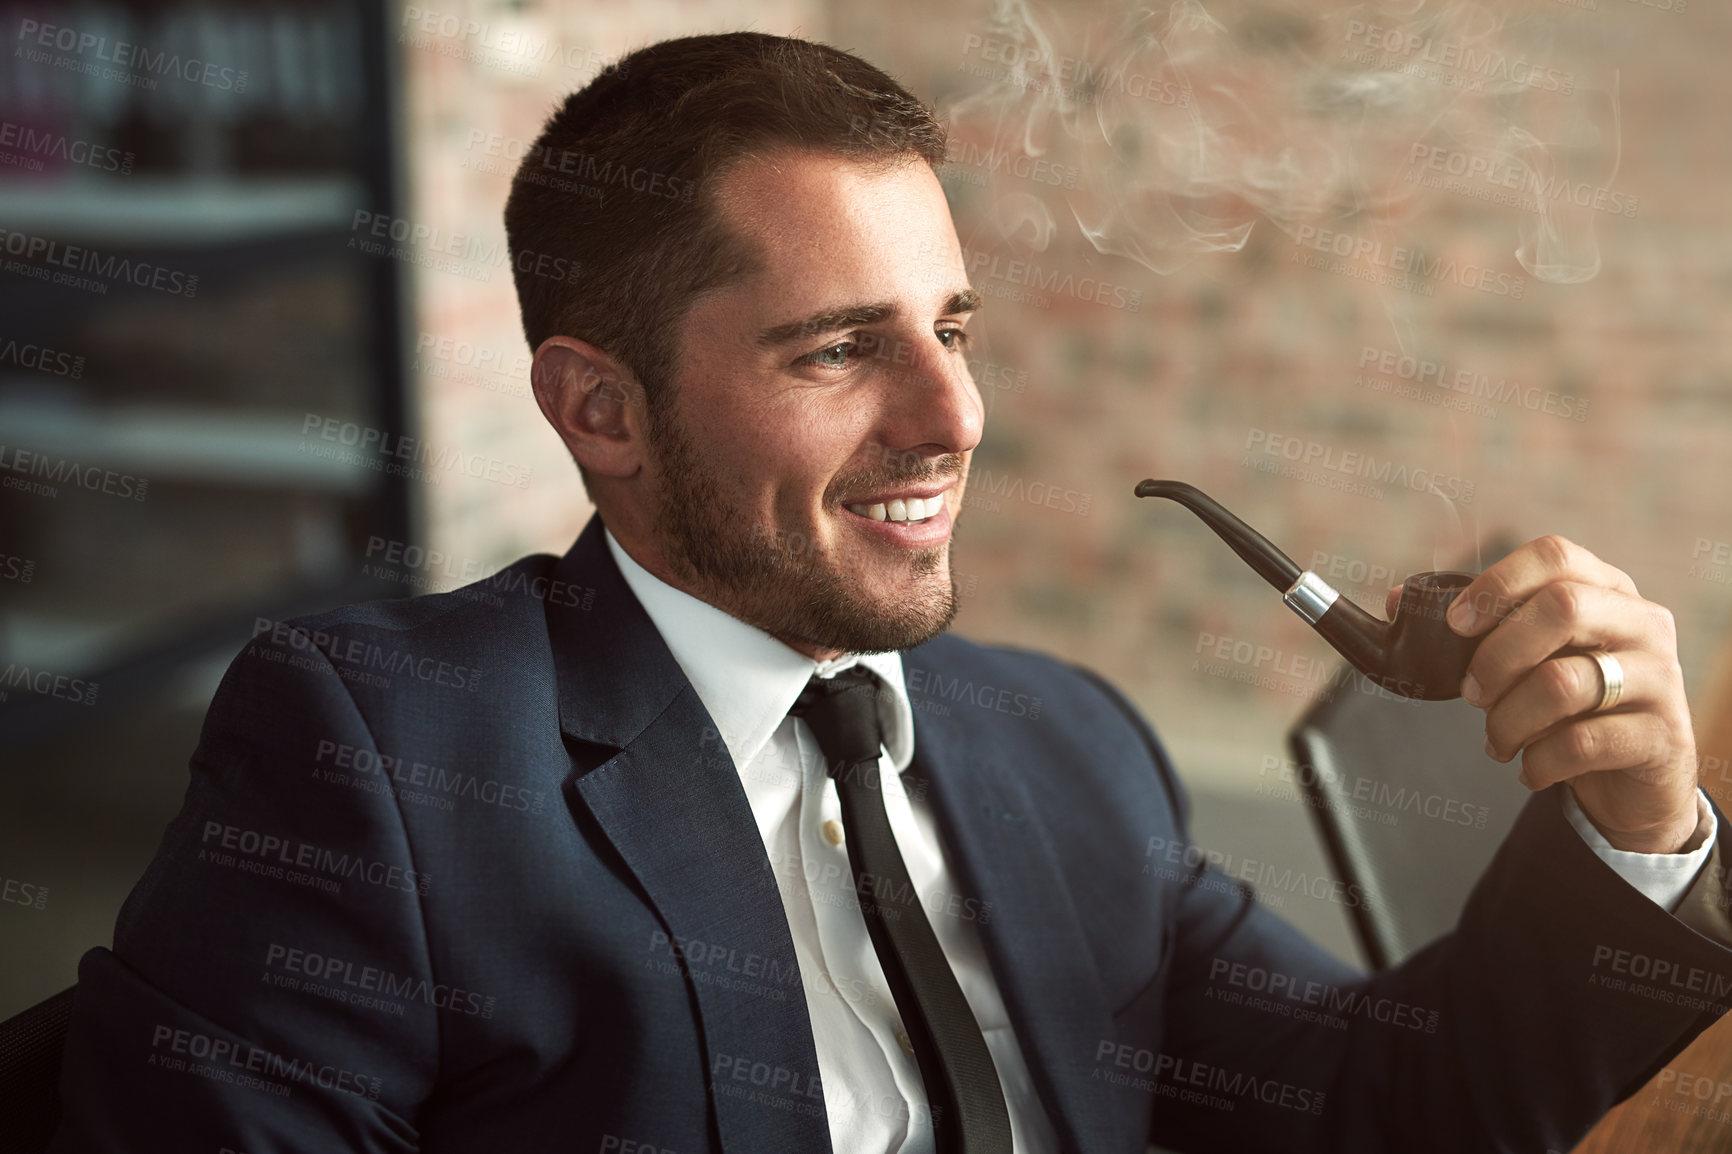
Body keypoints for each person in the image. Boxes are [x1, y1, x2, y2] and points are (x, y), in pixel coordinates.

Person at [49, 31, 1731, 1154]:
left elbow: (1391, 1104)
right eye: (843, 349)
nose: (952, 419)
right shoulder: (381, 758)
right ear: (598, 411)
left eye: (954, 328)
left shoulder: (1063, 743)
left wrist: (1639, 827)